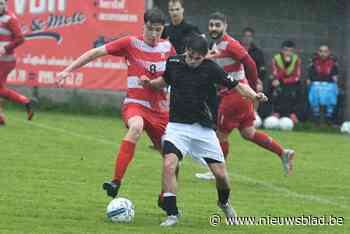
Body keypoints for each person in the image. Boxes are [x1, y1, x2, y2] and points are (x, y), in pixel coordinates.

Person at [140, 35, 268, 227]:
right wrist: (150, 84)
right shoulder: (174, 62)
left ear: (205, 56)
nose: (192, 61)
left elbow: (238, 86)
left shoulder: (212, 69)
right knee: (169, 164)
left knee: (221, 176)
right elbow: (164, 80)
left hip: (203, 130)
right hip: (177, 127)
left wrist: (255, 95)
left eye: (197, 58)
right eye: (190, 56)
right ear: (186, 50)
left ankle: (224, 203)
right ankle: (172, 213)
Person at [57, 8, 175, 198]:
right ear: (143, 26)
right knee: (135, 127)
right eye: (150, 29)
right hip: (135, 104)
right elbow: (96, 52)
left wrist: (171, 95)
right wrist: (67, 71)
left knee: (172, 158)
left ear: (163, 30)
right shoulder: (130, 43)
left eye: (158, 30)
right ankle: (115, 181)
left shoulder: (168, 48)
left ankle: (165, 198)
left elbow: (174, 76)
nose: (153, 34)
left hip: (160, 110)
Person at [195, 12, 295, 181]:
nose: (213, 28)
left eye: (217, 25)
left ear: (225, 26)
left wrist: (254, 88)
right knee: (248, 132)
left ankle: (217, 172)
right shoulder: (216, 45)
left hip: (234, 95)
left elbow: (250, 63)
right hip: (241, 95)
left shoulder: (230, 44)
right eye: (211, 25)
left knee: (221, 134)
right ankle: (283, 152)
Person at [0, 0, 33, 125]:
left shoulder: (10, 18)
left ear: (6, 5)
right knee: (0, 89)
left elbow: (21, 39)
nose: (0, 6)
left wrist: (5, 47)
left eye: (2, 3)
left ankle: (24, 101)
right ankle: (24, 102)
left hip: (5, 60)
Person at [271, 40, 302, 123]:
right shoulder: (276, 58)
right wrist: (286, 64)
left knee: (293, 89)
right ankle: (276, 112)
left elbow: (297, 75)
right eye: (285, 50)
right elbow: (275, 73)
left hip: (291, 82)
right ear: (281, 50)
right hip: (279, 80)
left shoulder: (296, 59)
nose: (288, 53)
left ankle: (292, 113)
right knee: (275, 86)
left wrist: (286, 80)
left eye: (290, 51)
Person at [307, 44, 339, 124]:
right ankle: (316, 115)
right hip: (316, 85)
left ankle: (329, 116)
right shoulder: (313, 63)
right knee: (314, 89)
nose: (323, 54)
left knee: (333, 89)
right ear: (318, 52)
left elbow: (335, 79)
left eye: (325, 51)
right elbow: (309, 79)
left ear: (328, 53)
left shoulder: (333, 63)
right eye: (321, 51)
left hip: (328, 85)